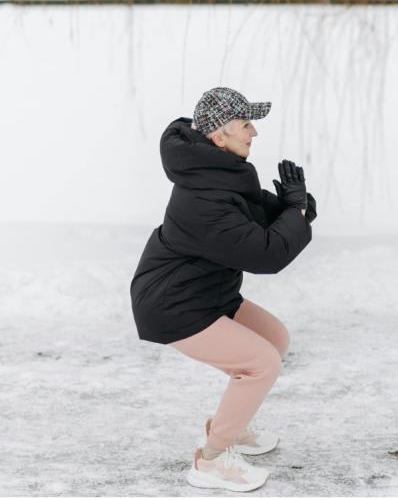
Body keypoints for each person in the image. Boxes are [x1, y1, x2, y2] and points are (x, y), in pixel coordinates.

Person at [129, 87, 317, 492]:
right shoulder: (204, 199)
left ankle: (231, 426)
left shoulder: (220, 173)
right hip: (174, 305)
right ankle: (211, 459)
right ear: (219, 136)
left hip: (206, 293)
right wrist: (295, 212)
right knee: (261, 363)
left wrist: (295, 205)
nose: (254, 132)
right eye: (246, 124)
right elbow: (268, 255)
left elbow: (262, 215)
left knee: (274, 339)